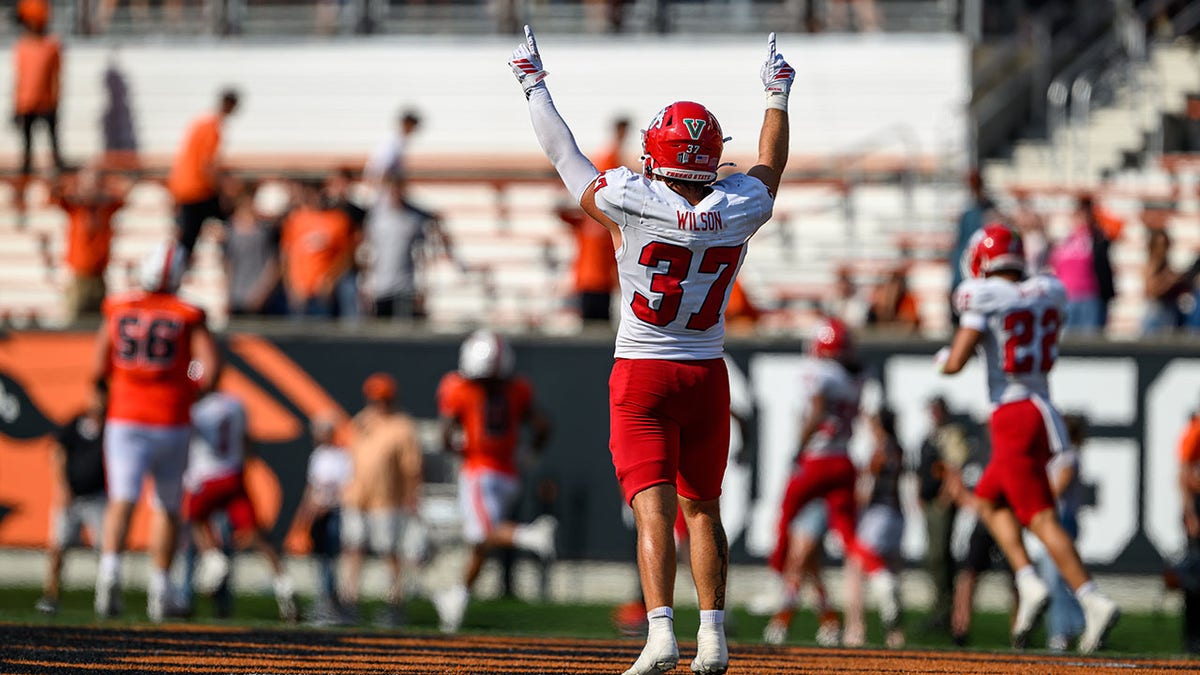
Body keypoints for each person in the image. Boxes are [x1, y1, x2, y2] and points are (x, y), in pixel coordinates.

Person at [509, 26, 792, 674]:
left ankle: (662, 629)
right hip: (705, 372)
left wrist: (532, 83)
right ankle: (714, 635)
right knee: (703, 510)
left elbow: (563, 154)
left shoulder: (630, 200)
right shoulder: (741, 203)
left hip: (643, 372)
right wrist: (776, 94)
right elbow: (770, 166)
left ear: (656, 153)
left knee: (654, 510)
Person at [937, 222, 1119, 653]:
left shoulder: (985, 296)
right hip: (1040, 407)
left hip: (1013, 413)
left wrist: (945, 359)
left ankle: (1093, 599)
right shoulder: (1046, 290)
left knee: (1039, 517)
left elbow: (958, 359)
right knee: (987, 498)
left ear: (982, 260)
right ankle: (1027, 580)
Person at [91, 241, 221, 621]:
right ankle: (160, 589)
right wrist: (189, 388)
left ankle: (109, 573)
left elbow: (100, 365)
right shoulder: (186, 314)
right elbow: (207, 369)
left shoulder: (119, 308)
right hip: (169, 420)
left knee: (122, 500)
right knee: (167, 507)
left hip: (125, 417)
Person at [769, 318, 901, 646]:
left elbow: (816, 410)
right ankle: (881, 577)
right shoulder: (855, 378)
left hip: (817, 459)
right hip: (844, 461)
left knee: (784, 522)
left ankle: (777, 585)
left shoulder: (823, 373)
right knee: (848, 534)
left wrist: (798, 449)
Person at [432, 329, 555, 633]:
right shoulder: (518, 389)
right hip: (509, 473)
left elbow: (445, 436)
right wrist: (530, 454)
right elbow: (542, 426)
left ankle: (532, 536)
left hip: (479, 471)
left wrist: (460, 449)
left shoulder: (458, 387)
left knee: (484, 534)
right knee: (480, 544)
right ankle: (457, 599)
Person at [182, 388, 298, 622]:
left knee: (193, 519)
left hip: (206, 477)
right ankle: (285, 586)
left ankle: (213, 559)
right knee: (256, 536)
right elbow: (247, 443)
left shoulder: (194, 410)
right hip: (234, 476)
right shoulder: (235, 405)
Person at [339, 372, 422, 625]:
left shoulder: (402, 426)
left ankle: (394, 602)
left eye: (383, 399)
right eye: (375, 399)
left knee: (389, 552)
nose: (379, 404)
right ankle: (349, 601)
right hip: (356, 496)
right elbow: (351, 457)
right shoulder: (362, 422)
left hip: (386, 500)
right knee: (353, 549)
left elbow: (412, 468)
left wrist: (412, 498)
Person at [35, 382, 108, 615]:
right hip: (72, 497)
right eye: (95, 396)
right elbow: (58, 451)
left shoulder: (111, 427)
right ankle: (51, 595)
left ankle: (105, 598)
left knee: (106, 549)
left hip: (98, 498)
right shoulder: (76, 424)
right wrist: (62, 487)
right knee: (58, 546)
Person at [842, 407, 907, 648]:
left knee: (857, 569)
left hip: (877, 514)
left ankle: (856, 630)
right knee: (893, 572)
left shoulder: (879, 452)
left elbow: (867, 489)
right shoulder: (899, 449)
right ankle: (895, 637)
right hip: (897, 516)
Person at [362, 170, 452, 320]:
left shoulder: (412, 219)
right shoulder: (376, 218)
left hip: (405, 287)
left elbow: (422, 254)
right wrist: (366, 285)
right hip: (381, 287)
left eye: (398, 190)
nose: (394, 194)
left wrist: (424, 287)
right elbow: (367, 251)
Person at [915, 396, 970, 637]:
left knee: (940, 555)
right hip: (929, 502)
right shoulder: (929, 436)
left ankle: (946, 609)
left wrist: (944, 499)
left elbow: (954, 469)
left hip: (941, 503)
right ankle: (939, 607)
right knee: (932, 556)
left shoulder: (951, 434)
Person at [1032, 412, 1087, 651]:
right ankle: (1063, 628)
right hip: (1056, 520)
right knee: (1054, 578)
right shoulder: (1060, 457)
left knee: (1057, 578)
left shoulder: (1069, 457)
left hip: (1061, 521)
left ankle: (1066, 629)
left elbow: (1056, 489)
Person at [293, 414, 353, 624]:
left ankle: (335, 605)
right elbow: (312, 488)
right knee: (320, 558)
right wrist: (304, 516)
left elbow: (343, 489)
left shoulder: (341, 456)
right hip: (316, 512)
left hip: (333, 512)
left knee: (332, 557)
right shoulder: (317, 455)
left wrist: (323, 505)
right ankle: (324, 601)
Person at [51, 166, 130, 322]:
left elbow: (124, 194)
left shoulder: (106, 207)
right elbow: (55, 195)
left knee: (99, 322)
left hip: (99, 275)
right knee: (73, 321)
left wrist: (102, 190)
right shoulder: (75, 206)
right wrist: (75, 187)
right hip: (78, 276)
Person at [167, 88, 239, 257]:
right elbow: (207, 166)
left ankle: (178, 265)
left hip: (184, 186)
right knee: (226, 220)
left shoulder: (202, 123)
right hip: (195, 189)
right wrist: (224, 188)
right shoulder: (212, 128)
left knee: (188, 236)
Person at [761, 494, 838, 647]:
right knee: (809, 568)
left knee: (798, 563)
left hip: (818, 499)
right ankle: (830, 622)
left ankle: (782, 621)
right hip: (802, 499)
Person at [12, 0, 63, 214]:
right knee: (26, 152)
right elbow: (19, 78)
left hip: (45, 103)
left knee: (53, 151)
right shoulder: (23, 46)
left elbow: (56, 78)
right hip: (27, 103)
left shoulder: (51, 46)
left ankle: (56, 191)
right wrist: (16, 105)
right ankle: (23, 193)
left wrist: (55, 103)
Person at [280, 180, 355, 318]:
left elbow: (346, 256)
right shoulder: (295, 220)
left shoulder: (337, 220)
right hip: (301, 293)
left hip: (323, 293)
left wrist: (330, 279)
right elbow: (287, 255)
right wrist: (291, 286)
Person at [1050, 197, 1115, 335]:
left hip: (1089, 297)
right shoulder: (1065, 239)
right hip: (1068, 298)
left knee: (1090, 344)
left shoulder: (1096, 238)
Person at [224, 189, 287, 316]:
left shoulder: (265, 231)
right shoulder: (230, 231)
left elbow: (274, 264)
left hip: (260, 296)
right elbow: (228, 263)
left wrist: (262, 293)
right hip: (237, 295)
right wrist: (227, 294)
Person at [555, 202, 617, 323]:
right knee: (589, 323)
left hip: (603, 283)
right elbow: (561, 213)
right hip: (587, 282)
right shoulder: (584, 222)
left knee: (602, 324)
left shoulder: (609, 226)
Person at [1142, 226, 1200, 335]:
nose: (1163, 250)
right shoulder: (1151, 265)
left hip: (1169, 313)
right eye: (1160, 246)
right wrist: (1170, 280)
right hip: (1157, 313)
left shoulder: (1166, 265)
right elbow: (1152, 291)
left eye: (1165, 245)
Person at [1176, 404, 1200, 652]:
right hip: (1197, 504)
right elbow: (1184, 472)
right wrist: (1190, 512)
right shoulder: (1196, 429)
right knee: (1195, 575)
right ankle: (1192, 637)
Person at [364, 109, 421, 188]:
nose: (413, 130)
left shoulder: (401, 140)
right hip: (383, 180)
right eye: (412, 127)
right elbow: (383, 163)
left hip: (387, 181)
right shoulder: (393, 141)